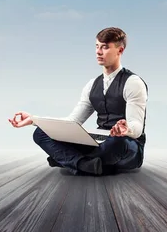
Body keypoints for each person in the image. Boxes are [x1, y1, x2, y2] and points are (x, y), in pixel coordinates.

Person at [8, 27, 148, 176]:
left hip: (126, 145)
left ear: (120, 50)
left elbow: (137, 126)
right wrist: (33, 120)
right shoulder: (92, 85)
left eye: (105, 47)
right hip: (99, 142)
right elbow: (73, 121)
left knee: (116, 142)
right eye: (97, 46)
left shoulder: (133, 82)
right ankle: (85, 164)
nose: (98, 52)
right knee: (40, 133)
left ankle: (68, 160)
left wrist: (126, 130)